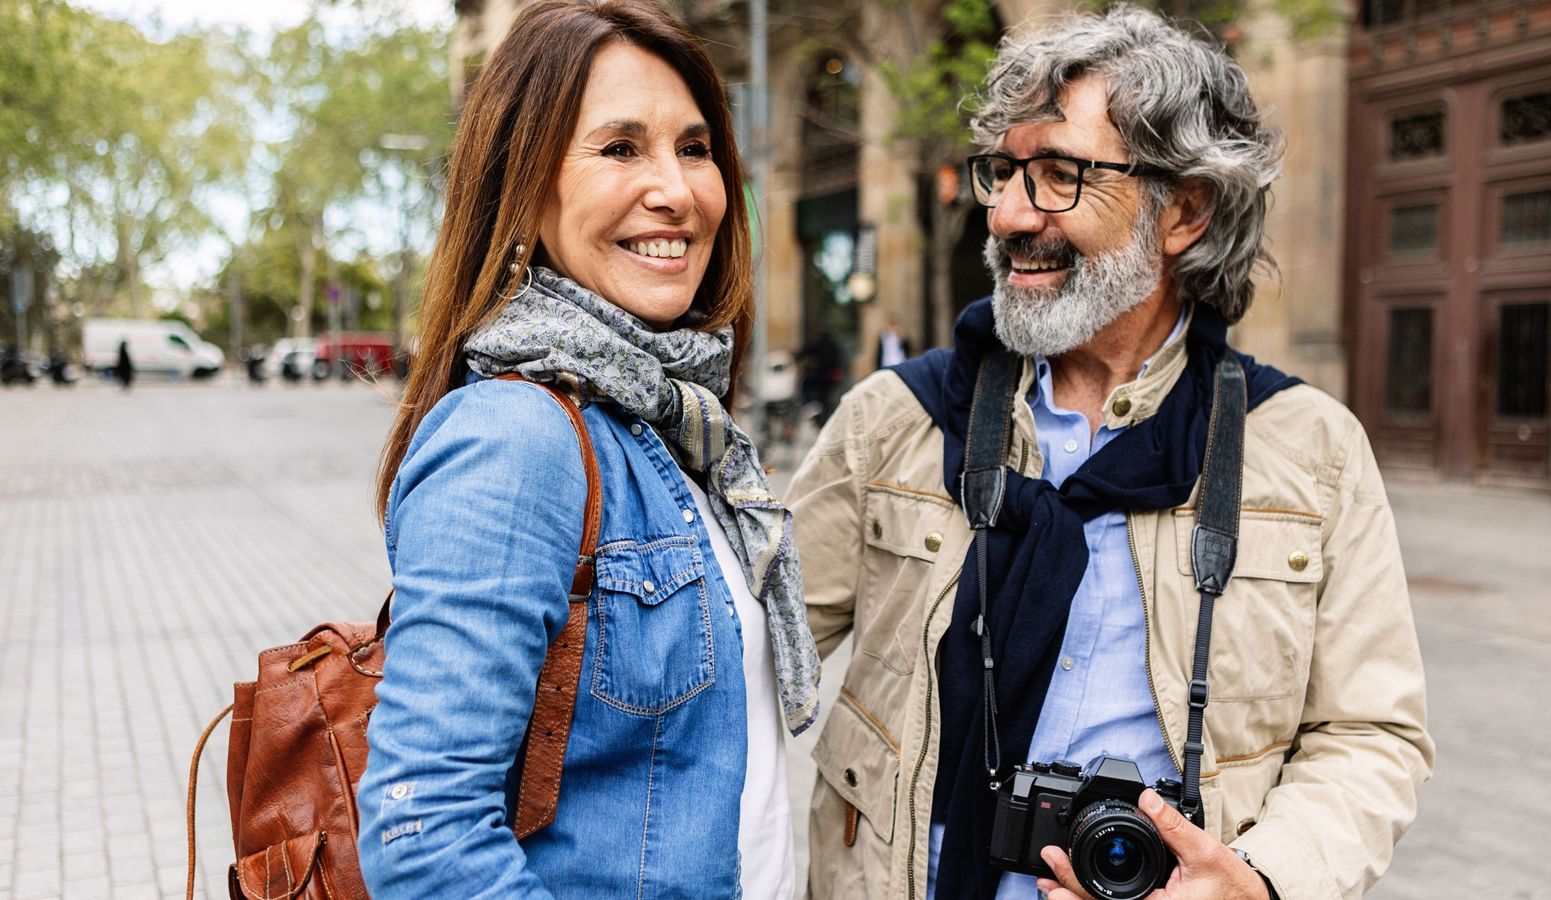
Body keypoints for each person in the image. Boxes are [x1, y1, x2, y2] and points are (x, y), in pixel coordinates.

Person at [787, 7, 1433, 900]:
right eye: (1004, 171)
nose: (1009, 213)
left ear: (1184, 212)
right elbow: (750, 650)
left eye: (1060, 176)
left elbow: (1370, 734)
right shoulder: (894, 421)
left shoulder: (1311, 451)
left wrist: (1260, 880)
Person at [356, 2, 820, 896]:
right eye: (619, 148)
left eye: (694, 148)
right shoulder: (514, 436)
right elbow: (424, 835)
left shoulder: (673, 425)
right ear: (525, 187)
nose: (678, 191)